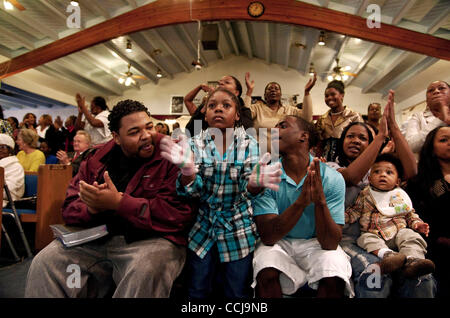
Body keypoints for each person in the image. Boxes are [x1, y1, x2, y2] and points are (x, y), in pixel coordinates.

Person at [25, 99, 194, 298]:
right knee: (46, 261)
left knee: (146, 269)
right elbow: (69, 208)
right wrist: (92, 208)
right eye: (134, 132)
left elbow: (178, 215)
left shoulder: (172, 155)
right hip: (98, 237)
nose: (146, 136)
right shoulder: (95, 159)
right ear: (116, 137)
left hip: (151, 240)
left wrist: (119, 203)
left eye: (149, 127)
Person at [160, 87, 282, 299]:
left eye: (226, 105)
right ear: (204, 114)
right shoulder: (194, 144)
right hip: (203, 226)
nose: (218, 109)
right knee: (197, 289)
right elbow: (190, 193)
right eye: (212, 105)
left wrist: (255, 184)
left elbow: (250, 188)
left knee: (236, 291)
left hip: (238, 227)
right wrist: (188, 172)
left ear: (236, 114)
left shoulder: (250, 144)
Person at [327, 90, 436, 298]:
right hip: (350, 241)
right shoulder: (332, 168)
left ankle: (411, 264)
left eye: (363, 138)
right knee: (375, 274)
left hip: (389, 236)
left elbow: (411, 171)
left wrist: (393, 128)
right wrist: (379, 138)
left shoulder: (380, 171)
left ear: (370, 144)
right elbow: (350, 177)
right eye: (350, 136)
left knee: (423, 278)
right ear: (341, 141)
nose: (356, 141)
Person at [252, 115, 353, 298]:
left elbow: (330, 243)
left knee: (334, 272)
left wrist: (320, 202)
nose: (274, 131)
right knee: (266, 270)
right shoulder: (267, 175)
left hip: (315, 242)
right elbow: (268, 237)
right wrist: (301, 202)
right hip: (279, 242)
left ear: (303, 137)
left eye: (282, 126)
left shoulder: (332, 178)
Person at [346, 153, 435, 278]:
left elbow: (409, 214)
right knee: (365, 239)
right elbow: (355, 211)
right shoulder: (365, 194)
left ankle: (413, 261)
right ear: (370, 179)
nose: (382, 175)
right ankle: (389, 257)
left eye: (389, 173)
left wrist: (417, 224)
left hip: (398, 231)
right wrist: (343, 217)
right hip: (374, 233)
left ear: (397, 181)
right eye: (377, 172)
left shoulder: (399, 196)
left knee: (411, 236)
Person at [406, 126, 450, 297]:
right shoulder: (420, 181)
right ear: (431, 147)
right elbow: (418, 218)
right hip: (437, 249)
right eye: (443, 140)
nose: (449, 143)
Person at [243, 72, 314, 153]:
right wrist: (249, 91)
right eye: (269, 89)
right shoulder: (257, 108)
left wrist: (307, 92)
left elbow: (307, 118)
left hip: (284, 157)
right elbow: (244, 116)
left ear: (280, 95)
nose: (273, 90)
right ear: (265, 95)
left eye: (276, 89)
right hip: (260, 156)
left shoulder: (289, 110)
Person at [184, 75, 253, 137]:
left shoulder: (244, 111)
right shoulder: (205, 107)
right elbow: (191, 132)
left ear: (236, 92)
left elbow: (247, 134)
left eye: (227, 82)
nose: (221, 84)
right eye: (219, 83)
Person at [315, 80, 363, 161]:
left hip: (348, 161)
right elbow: (319, 145)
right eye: (326, 96)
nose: (329, 98)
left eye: (333, 94)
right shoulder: (322, 119)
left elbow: (361, 141)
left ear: (342, 95)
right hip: (325, 162)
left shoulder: (354, 116)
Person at [403, 80, 448, 155]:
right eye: (431, 90)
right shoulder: (418, 116)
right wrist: (440, 119)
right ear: (427, 100)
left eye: (441, 88)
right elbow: (411, 146)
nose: (436, 91)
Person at [0, 134, 24, 207]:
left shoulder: (16, 167)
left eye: (3, 147)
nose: (0, 150)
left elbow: (9, 191)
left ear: (10, 150)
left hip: (8, 202)